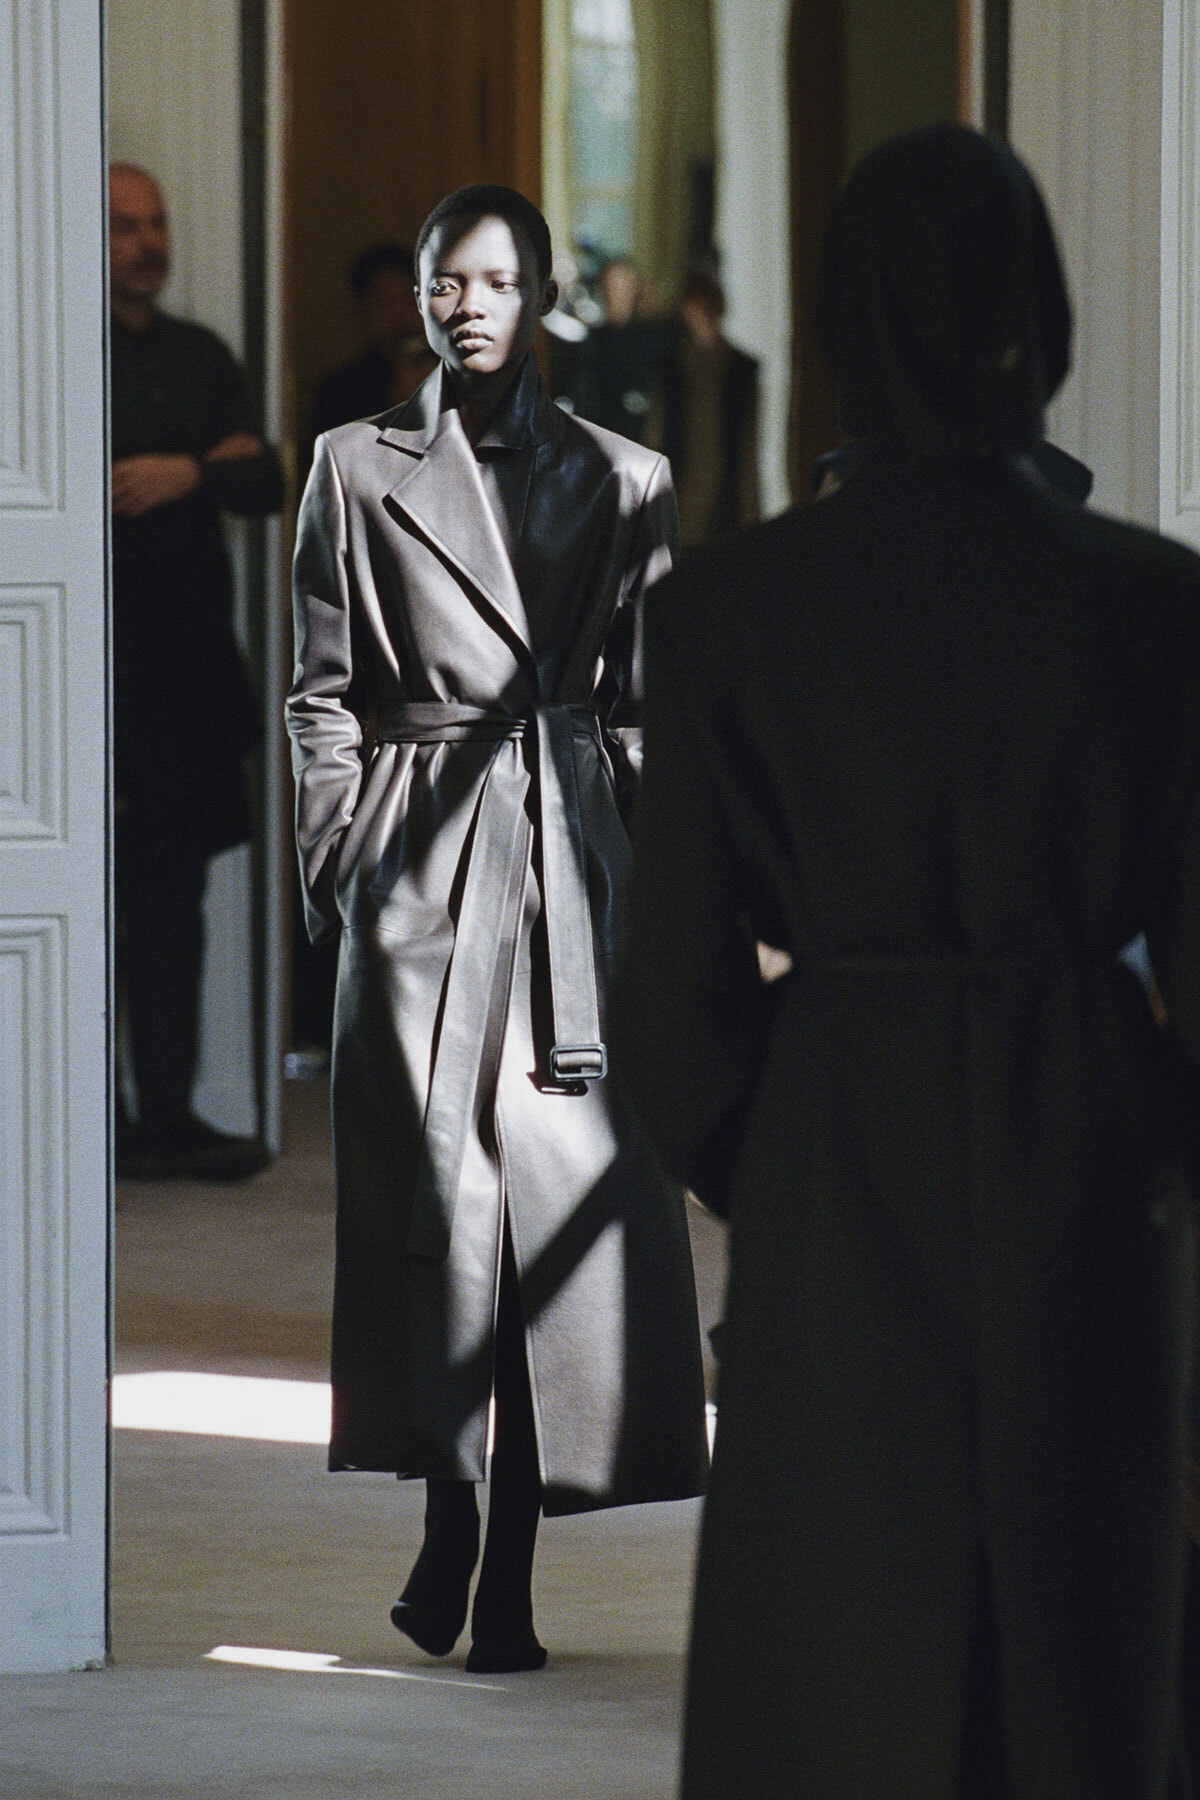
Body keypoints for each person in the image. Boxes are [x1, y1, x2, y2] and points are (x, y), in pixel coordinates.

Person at [613, 126, 1200, 1798]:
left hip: (835, 1141)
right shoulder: (1159, 603)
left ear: (842, 321)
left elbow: (673, 1004)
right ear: (1043, 312)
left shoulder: (728, 609)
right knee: (1086, 1643)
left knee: (837, 1636)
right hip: (1088, 1147)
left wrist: (784, 1148)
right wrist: (1144, 1131)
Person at [286, 183, 709, 1674]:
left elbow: (650, 710)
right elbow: (321, 691)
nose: (468, 306)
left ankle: (509, 1564)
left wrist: (657, 894)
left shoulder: (628, 477)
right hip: (417, 869)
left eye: (496, 281)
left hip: (571, 876)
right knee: (442, 1214)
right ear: (418, 297)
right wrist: (343, 861)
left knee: (553, 1239)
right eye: (444, 281)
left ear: (540, 298)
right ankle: (449, 1513)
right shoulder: (351, 466)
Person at [109, 163, 282, 1182]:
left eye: (157, 223)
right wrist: (191, 461)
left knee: (176, 899)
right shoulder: (59, 351)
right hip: (89, 674)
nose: (149, 242)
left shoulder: (202, 354)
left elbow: (266, 478)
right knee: (85, 902)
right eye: (125, 227)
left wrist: (186, 471)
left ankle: (167, 1117)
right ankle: (86, 1120)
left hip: (189, 673)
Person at [647, 265, 760, 546]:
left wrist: (752, 516)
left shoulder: (741, 369)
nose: (696, 316)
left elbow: (748, 448)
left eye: (701, 308)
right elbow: (656, 435)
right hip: (683, 493)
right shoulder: (672, 368)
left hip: (725, 497)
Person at [309, 243, 437, 440]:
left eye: (409, 299)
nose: (400, 316)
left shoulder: (465, 373)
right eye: (383, 303)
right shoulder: (340, 391)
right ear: (362, 312)